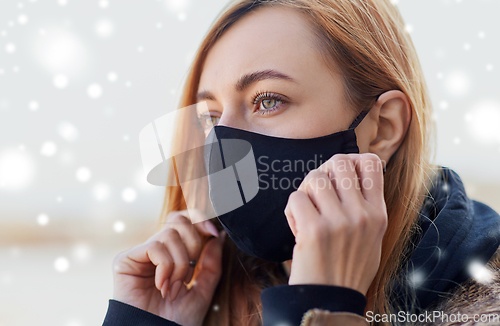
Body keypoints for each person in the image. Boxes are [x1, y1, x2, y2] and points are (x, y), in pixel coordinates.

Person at [102, 0, 500, 325]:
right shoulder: (211, 292)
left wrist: (318, 307)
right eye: (210, 117)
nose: (221, 143)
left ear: (383, 128)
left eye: (268, 100)